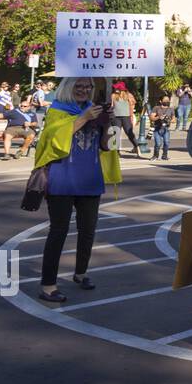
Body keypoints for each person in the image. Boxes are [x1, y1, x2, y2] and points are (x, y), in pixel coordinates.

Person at [34, 77, 121, 303]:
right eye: (79, 86)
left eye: (88, 87)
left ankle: (81, 272)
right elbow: (55, 140)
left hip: (90, 178)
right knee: (58, 231)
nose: (84, 90)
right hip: (62, 178)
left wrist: (108, 124)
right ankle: (48, 284)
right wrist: (84, 118)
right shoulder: (57, 111)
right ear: (68, 88)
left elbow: (108, 146)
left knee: (88, 230)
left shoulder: (95, 110)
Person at [109, 82, 143, 158]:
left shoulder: (128, 95)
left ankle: (136, 147)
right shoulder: (113, 95)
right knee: (116, 134)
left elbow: (133, 103)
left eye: (117, 88)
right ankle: (117, 152)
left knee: (129, 133)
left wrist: (131, 112)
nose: (115, 89)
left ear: (121, 89)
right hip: (116, 117)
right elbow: (111, 105)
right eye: (115, 88)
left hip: (126, 117)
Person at [150, 96, 174, 160]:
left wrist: (169, 120)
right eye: (165, 100)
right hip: (157, 128)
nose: (167, 101)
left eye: (168, 100)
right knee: (158, 143)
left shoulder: (171, 109)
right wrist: (158, 117)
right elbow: (152, 117)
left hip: (166, 128)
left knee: (166, 142)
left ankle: (164, 155)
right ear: (160, 101)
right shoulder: (156, 108)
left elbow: (174, 119)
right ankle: (155, 156)